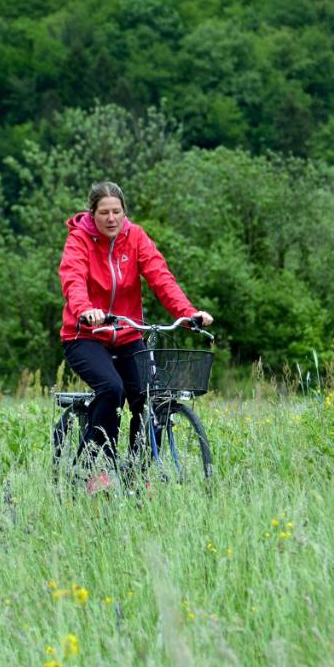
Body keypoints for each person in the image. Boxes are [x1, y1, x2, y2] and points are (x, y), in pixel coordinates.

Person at [58, 181, 212, 492]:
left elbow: (160, 277)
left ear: (124, 212)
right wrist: (86, 309)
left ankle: (137, 471)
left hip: (128, 333)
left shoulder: (136, 237)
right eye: (104, 213)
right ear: (93, 214)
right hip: (85, 335)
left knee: (147, 396)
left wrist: (188, 313)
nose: (111, 218)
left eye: (117, 212)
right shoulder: (79, 241)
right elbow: (73, 279)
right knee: (111, 388)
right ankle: (92, 466)